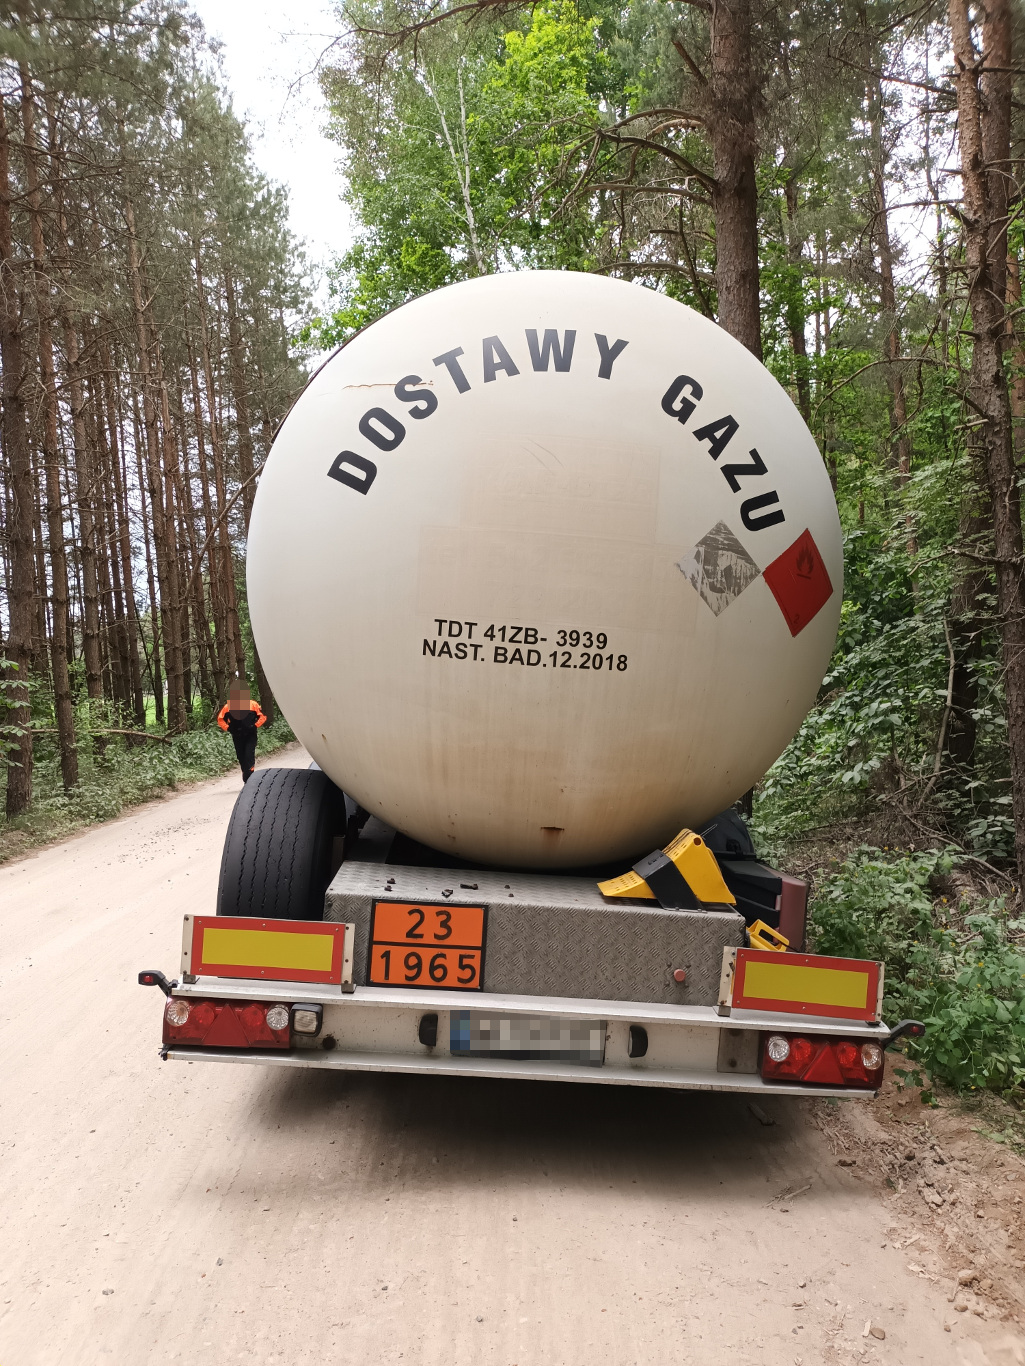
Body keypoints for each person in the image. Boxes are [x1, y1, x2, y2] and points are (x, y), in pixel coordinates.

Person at [217, 682, 267, 783]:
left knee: (249, 755)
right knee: (241, 757)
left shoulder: (253, 704)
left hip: (250, 735)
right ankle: (246, 774)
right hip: (237, 736)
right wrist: (228, 728)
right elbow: (220, 719)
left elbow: (263, 716)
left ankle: (249, 779)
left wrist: (255, 726)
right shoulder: (228, 707)